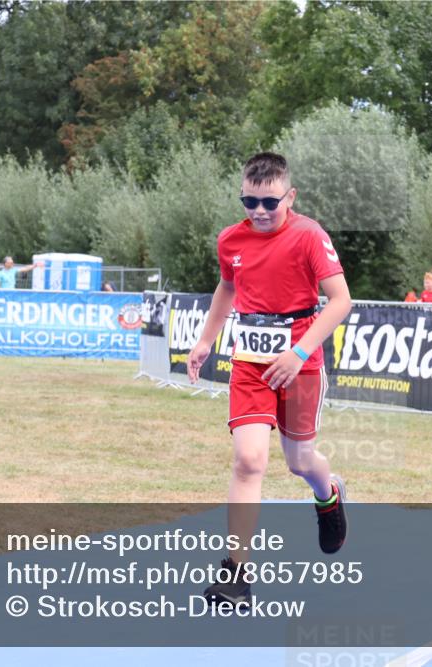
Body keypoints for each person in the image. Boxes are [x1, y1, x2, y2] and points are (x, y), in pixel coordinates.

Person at [186, 152, 352, 607]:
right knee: (249, 461)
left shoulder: (309, 235)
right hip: (251, 365)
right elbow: (228, 287)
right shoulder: (230, 240)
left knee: (299, 462)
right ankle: (236, 573)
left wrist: (299, 353)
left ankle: (328, 493)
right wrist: (206, 340)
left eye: (269, 203)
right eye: (249, 201)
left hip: (300, 362)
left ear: (289, 196)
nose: (259, 211)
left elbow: (340, 301)